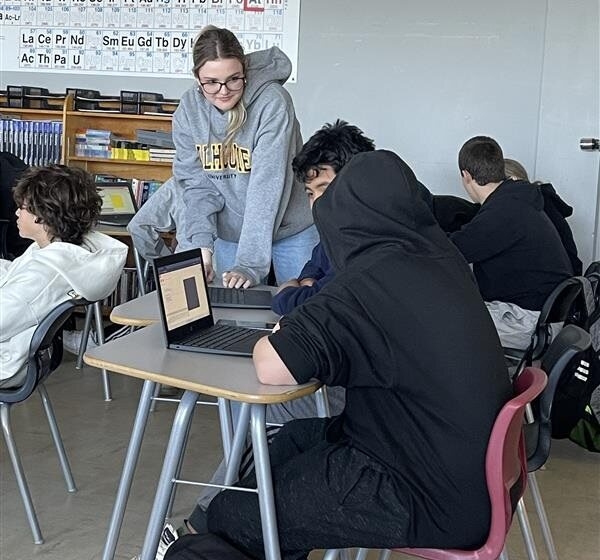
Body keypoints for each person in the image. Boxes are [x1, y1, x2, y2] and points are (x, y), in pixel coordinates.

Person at [173, 150, 511, 560]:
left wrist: (284, 329)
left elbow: (272, 364)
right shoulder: (438, 258)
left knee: (233, 515)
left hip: (418, 490)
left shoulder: (371, 280)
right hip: (451, 469)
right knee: (292, 439)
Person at [174, 26, 317, 289]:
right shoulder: (188, 111)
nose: (223, 90)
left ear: (244, 71)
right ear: (197, 78)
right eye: (211, 82)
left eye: (233, 79)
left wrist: (249, 264)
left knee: (303, 314)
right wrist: (201, 247)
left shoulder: (273, 102)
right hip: (232, 234)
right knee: (234, 317)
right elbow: (196, 187)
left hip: (291, 230)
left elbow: (267, 185)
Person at [0, 165, 128, 388]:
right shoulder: (63, 253)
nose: (16, 213)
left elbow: (7, 316)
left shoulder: (42, 276)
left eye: (22, 207)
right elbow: (15, 276)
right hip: (37, 356)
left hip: (9, 362)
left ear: (44, 215)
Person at [450, 136, 573, 349]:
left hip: (526, 321)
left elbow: (450, 251)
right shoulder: (517, 200)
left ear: (466, 175)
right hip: (545, 314)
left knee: (439, 324)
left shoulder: (502, 212)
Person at [272, 119, 376, 315]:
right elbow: (313, 268)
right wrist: (307, 282)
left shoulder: (365, 240)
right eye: (310, 193)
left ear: (358, 183)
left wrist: (287, 290)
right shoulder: (336, 232)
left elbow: (311, 304)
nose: (316, 202)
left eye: (325, 189)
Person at [504, 157, 582, 275]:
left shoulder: (534, 207)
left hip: (557, 282)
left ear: (512, 180)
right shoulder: (540, 201)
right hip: (568, 280)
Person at [127, 177, 182, 262]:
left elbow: (138, 227)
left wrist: (166, 264)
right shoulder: (180, 184)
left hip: (188, 266)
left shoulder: (181, 183)